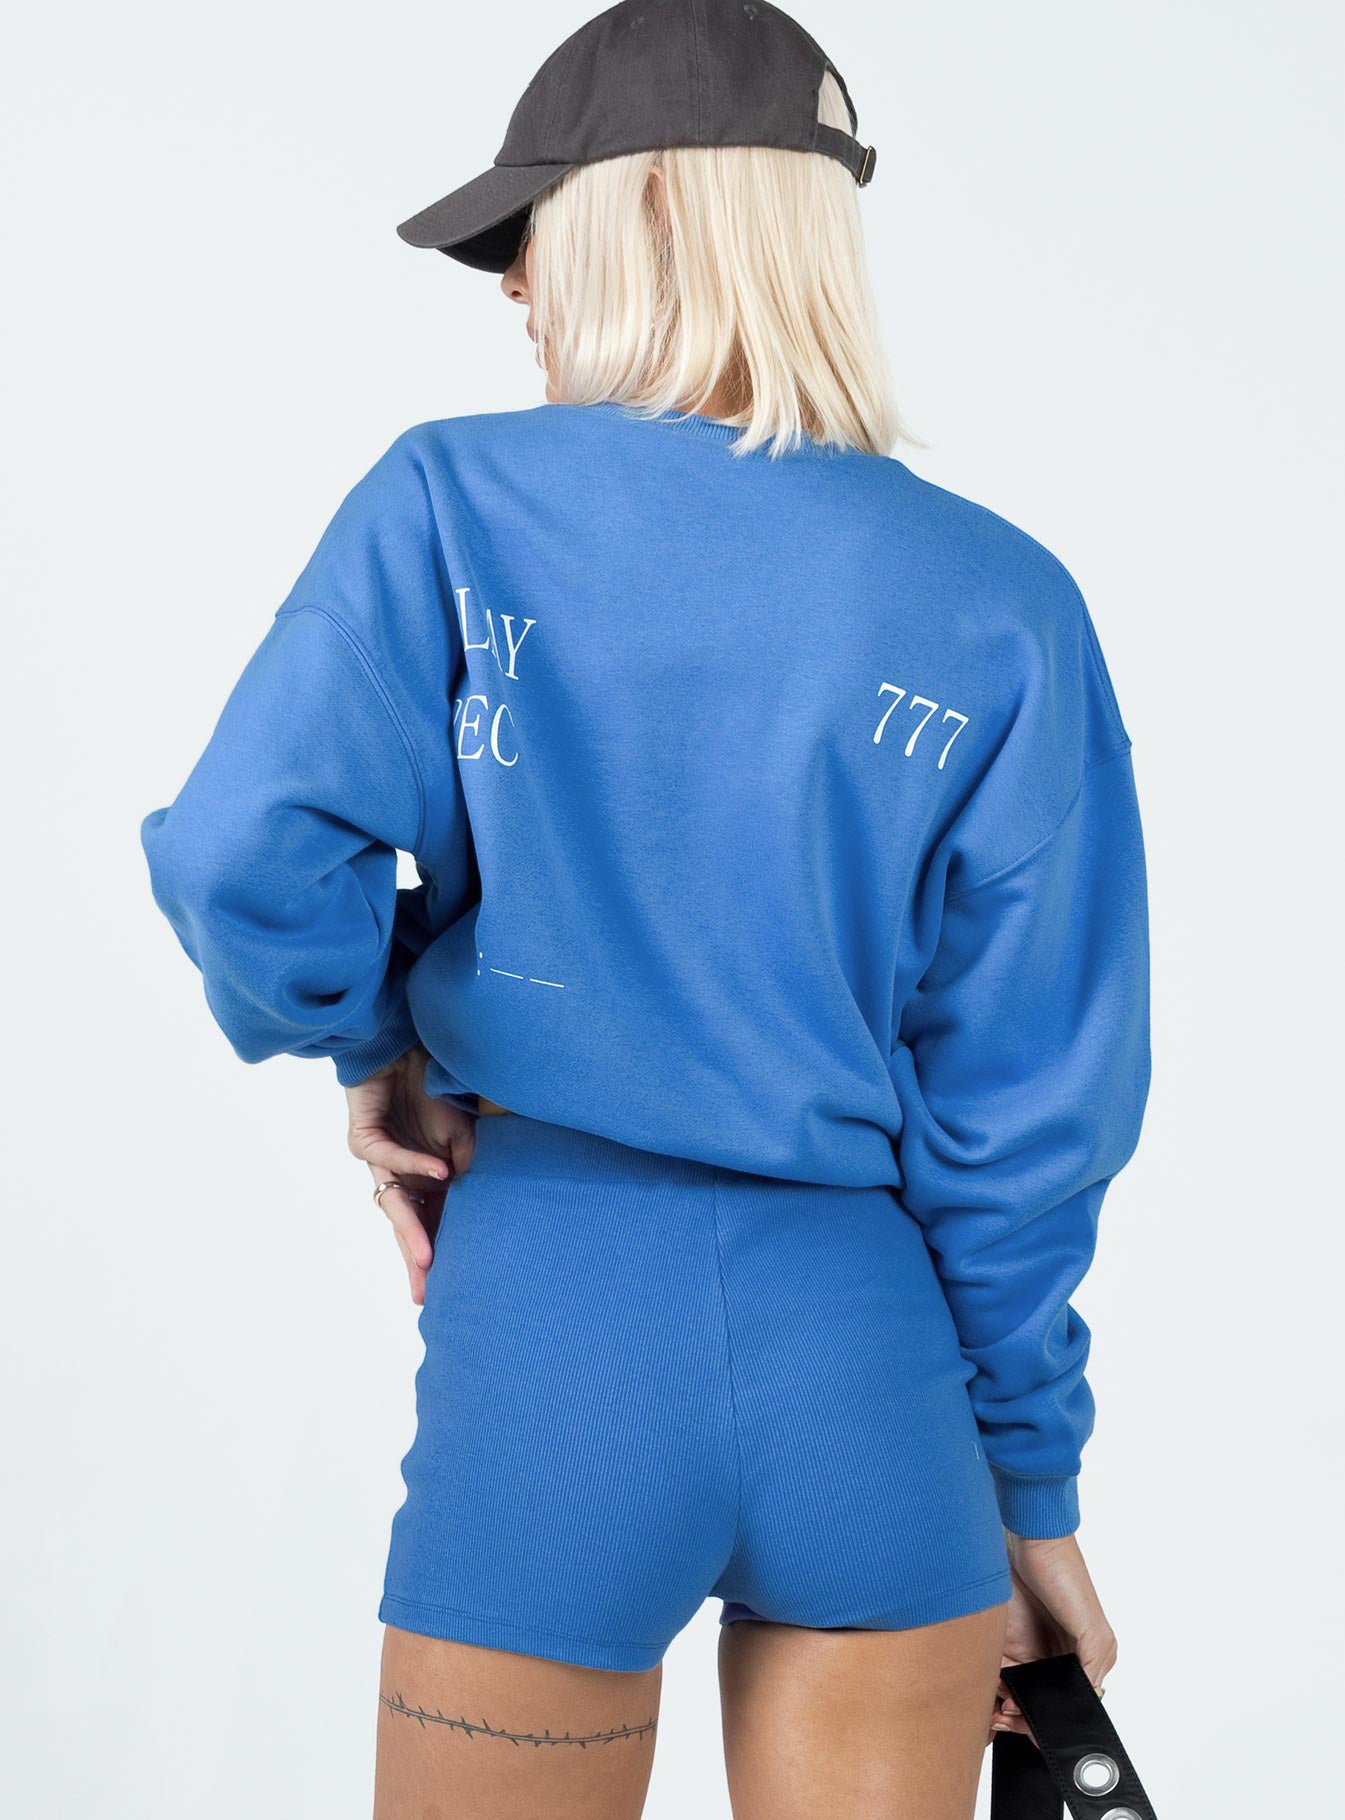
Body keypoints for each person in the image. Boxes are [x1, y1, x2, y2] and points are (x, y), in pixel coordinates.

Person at [139, 3, 1151, 1816]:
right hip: (877, 1377)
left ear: (653, 214)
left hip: (556, 1332)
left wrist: (375, 1044)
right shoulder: (1005, 599)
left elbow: (242, 851)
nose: (514, 284)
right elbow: (1029, 1110)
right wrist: (1027, 1491)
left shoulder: (454, 500)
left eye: (532, 229)